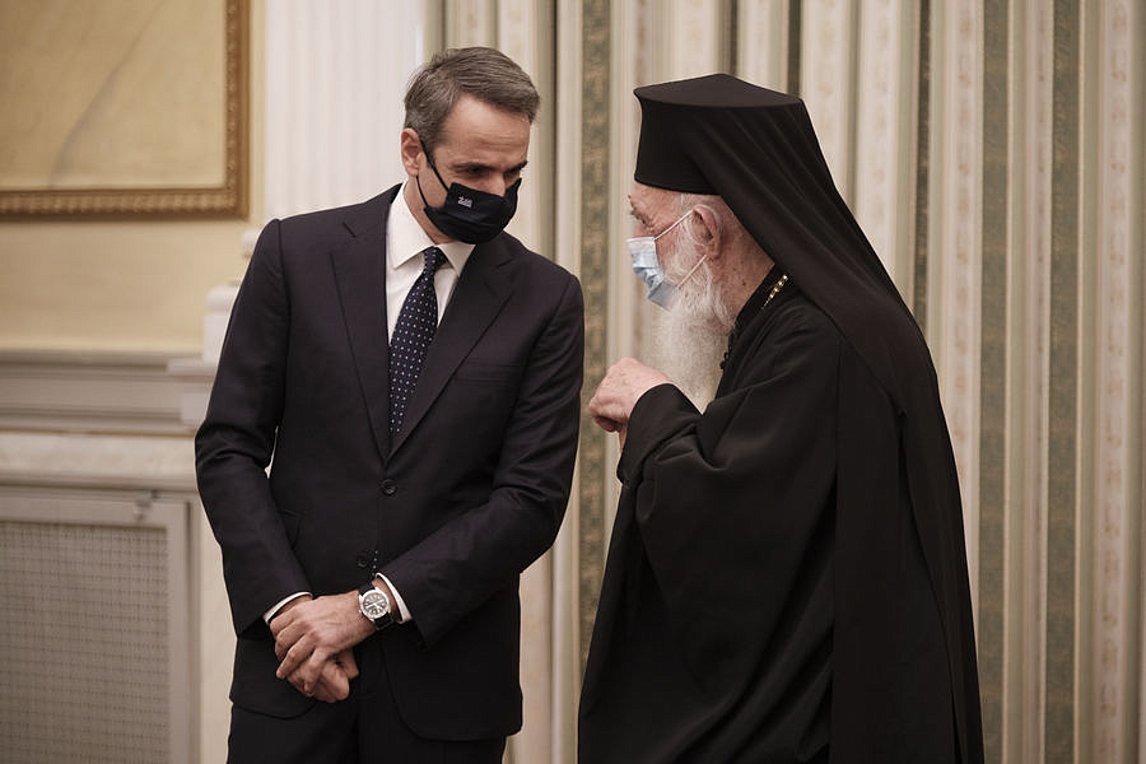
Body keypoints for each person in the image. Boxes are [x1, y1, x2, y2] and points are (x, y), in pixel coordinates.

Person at [579, 74, 983, 763]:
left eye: (645, 221)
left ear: (705, 231)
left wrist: (652, 407)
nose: (638, 244)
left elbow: (736, 534)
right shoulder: (789, 317)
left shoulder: (819, 340)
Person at [196, 46, 584, 762]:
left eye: (514, 174)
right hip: (292, 672)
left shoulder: (547, 299)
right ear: (413, 150)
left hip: (447, 689)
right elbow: (228, 448)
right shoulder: (295, 255)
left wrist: (368, 608)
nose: (497, 193)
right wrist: (290, 613)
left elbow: (530, 500)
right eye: (474, 172)